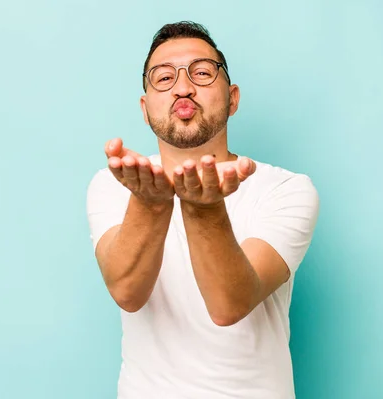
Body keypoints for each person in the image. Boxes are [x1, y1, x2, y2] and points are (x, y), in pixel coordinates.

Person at [85, 21, 320, 399]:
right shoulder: (114, 184)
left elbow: (229, 305)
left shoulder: (286, 190)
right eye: (164, 78)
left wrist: (202, 208)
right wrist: (151, 202)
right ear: (145, 109)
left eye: (202, 73)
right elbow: (127, 291)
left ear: (233, 97)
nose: (183, 87)